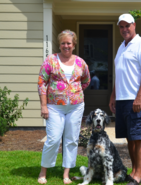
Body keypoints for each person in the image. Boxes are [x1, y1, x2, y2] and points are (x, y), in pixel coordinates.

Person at [37, 30, 90, 184]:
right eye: (63, 43)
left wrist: (74, 93)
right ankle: (43, 172)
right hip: (54, 107)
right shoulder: (51, 60)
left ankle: (66, 173)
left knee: (71, 139)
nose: (66, 46)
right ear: (59, 44)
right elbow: (42, 82)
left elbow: (86, 80)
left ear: (74, 45)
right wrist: (44, 105)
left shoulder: (80, 62)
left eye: (69, 43)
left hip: (76, 106)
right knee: (53, 139)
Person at [109, 13, 141, 185]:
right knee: (129, 137)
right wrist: (113, 96)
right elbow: (119, 74)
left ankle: (138, 175)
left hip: (135, 99)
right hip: (122, 99)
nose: (124, 29)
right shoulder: (122, 46)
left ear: (134, 25)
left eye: (127, 25)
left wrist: (139, 97)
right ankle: (134, 171)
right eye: (121, 26)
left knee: (138, 137)